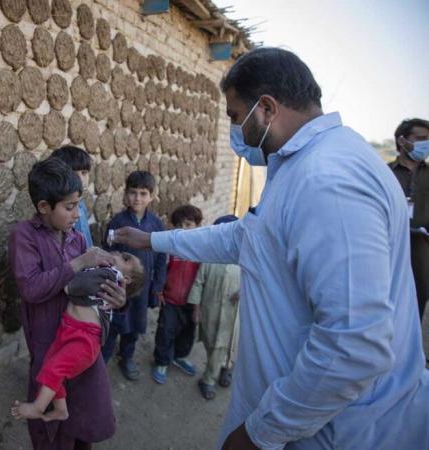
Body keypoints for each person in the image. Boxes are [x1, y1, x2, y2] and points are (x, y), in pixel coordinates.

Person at [111, 47, 429, 449]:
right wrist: (153, 240)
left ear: (265, 109)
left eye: (233, 115)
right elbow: (245, 237)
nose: (233, 130)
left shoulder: (326, 181)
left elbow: (355, 342)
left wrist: (262, 432)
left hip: (330, 432)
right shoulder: (307, 164)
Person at [8, 157, 127, 450]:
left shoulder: (75, 239)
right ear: (44, 207)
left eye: (78, 205)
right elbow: (32, 288)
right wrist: (76, 264)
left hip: (83, 342)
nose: (77, 214)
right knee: (50, 425)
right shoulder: (24, 236)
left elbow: (95, 286)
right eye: (69, 207)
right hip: (49, 344)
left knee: (82, 419)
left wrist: (118, 298)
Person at [11, 251, 144, 421]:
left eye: (125, 259)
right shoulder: (104, 273)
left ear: (126, 279)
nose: (117, 253)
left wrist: (72, 279)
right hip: (70, 329)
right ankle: (61, 410)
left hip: (85, 339)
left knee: (54, 369)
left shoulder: (110, 274)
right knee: (50, 367)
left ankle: (38, 407)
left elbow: (75, 286)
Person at [101, 170, 167, 381]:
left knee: (134, 326)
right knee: (111, 324)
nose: (137, 198)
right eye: (132, 192)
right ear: (125, 194)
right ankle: (101, 361)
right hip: (118, 286)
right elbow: (107, 254)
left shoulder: (156, 225)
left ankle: (126, 357)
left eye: (143, 193)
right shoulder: (117, 222)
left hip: (143, 287)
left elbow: (161, 258)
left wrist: (157, 286)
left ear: (151, 196)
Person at [187, 214, 241, 400]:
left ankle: (227, 367)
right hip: (212, 312)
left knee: (231, 344)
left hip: (234, 316)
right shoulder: (209, 260)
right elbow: (198, 283)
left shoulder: (245, 260)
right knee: (214, 345)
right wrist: (196, 308)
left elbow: (256, 284)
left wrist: (244, 293)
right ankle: (208, 379)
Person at [151, 204, 203, 384]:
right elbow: (161, 271)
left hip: (191, 301)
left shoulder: (201, 250)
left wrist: (200, 301)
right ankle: (162, 361)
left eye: (189, 224)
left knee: (188, 331)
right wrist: (158, 290)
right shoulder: (170, 249)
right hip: (170, 299)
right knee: (165, 331)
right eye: (180, 225)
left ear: (197, 226)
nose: (184, 229)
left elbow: (203, 277)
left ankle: (179, 356)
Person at [388, 118, 429, 322]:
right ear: (402, 141)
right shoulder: (384, 173)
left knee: (416, 303)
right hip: (389, 250)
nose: (426, 144)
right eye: (421, 138)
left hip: (422, 253)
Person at [50, 145, 94, 247]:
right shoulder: (58, 210)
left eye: (84, 173)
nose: (81, 179)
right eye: (73, 174)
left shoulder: (81, 204)